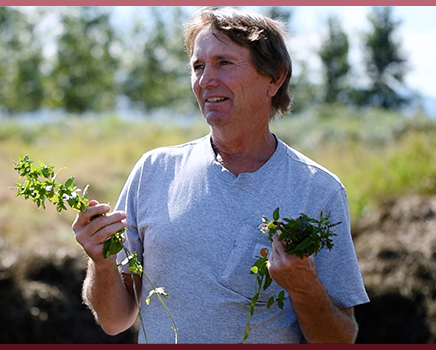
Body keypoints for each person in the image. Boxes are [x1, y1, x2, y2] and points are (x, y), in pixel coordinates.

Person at [72, 7, 369, 344]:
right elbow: (114, 321)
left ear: (275, 78)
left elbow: (340, 340)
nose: (206, 80)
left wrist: (304, 287)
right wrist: (102, 263)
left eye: (224, 63)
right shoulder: (153, 172)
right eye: (198, 66)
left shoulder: (318, 190)